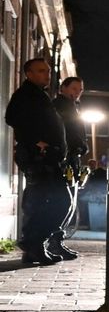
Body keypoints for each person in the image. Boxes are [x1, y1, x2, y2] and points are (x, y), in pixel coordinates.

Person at [5, 58, 69, 266]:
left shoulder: (38, 95)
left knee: (44, 202)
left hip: (46, 156)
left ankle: (33, 246)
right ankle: (33, 243)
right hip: (38, 157)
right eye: (41, 71)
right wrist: (35, 142)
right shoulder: (26, 95)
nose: (46, 75)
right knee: (57, 200)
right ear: (29, 74)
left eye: (48, 71)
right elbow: (12, 117)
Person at [50, 76, 88, 259]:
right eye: (73, 89)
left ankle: (57, 241)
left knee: (70, 201)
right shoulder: (59, 106)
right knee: (63, 201)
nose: (77, 93)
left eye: (80, 90)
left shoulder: (74, 107)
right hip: (64, 158)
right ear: (63, 88)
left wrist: (82, 146)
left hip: (72, 157)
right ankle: (54, 241)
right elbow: (65, 131)